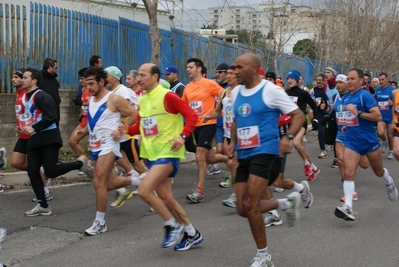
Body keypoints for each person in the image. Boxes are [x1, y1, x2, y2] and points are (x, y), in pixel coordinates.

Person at [227, 53, 303, 267]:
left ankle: (264, 256)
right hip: (244, 153)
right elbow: (236, 119)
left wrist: (288, 137)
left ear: (254, 68)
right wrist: (232, 143)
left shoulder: (270, 90)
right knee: (242, 209)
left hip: (266, 150)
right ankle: (286, 202)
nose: (235, 71)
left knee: (251, 204)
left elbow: (297, 115)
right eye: (234, 67)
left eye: (239, 67)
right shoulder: (235, 92)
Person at [120, 63, 203, 251]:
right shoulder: (143, 100)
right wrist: (126, 130)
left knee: (143, 190)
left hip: (168, 152)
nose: (139, 78)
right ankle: (191, 233)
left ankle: (170, 224)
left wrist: (183, 137)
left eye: (142, 75)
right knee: (166, 198)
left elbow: (191, 116)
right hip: (151, 155)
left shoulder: (168, 96)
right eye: (138, 75)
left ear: (155, 77)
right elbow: (141, 127)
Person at [20, 68, 91, 216]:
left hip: (49, 138)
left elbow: (51, 116)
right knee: (32, 170)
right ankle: (42, 205)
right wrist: (24, 128)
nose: (22, 79)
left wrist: (34, 128)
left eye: (25, 77)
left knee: (50, 171)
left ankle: (80, 164)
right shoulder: (28, 97)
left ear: (34, 81)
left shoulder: (42, 96)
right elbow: (35, 117)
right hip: (36, 139)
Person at [80, 67, 139, 235]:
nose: (88, 87)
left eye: (91, 83)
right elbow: (95, 122)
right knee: (109, 184)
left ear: (101, 82)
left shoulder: (113, 99)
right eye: (86, 84)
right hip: (95, 145)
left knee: (98, 182)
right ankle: (136, 181)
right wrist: (82, 132)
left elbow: (133, 113)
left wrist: (122, 129)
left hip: (109, 144)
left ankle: (100, 223)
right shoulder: (91, 100)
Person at [334, 68, 397, 221]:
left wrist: (359, 113)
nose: (349, 81)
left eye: (352, 79)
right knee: (348, 173)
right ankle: (348, 207)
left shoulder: (365, 96)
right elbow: (351, 118)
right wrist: (346, 124)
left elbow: (377, 116)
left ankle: (389, 182)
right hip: (351, 141)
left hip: (369, 141)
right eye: (348, 79)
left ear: (361, 81)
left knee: (378, 171)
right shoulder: (346, 98)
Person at [182, 58, 228, 203]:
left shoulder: (209, 84)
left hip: (209, 123)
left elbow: (225, 95)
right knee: (211, 158)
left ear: (199, 69)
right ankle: (233, 160)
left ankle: (199, 191)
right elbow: (183, 106)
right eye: (187, 67)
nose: (188, 69)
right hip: (195, 126)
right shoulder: (188, 87)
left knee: (199, 155)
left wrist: (217, 110)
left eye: (190, 67)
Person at [104, 66, 147, 208]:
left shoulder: (122, 90)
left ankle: (158, 191)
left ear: (114, 77)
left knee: (138, 165)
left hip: (127, 135)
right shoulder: (113, 92)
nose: (104, 79)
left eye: (107, 76)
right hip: (117, 135)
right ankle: (122, 188)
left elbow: (129, 110)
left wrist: (114, 115)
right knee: (109, 161)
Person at [329, 74, 369, 202]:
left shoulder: (355, 96)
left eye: (341, 82)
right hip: (341, 133)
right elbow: (335, 111)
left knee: (364, 164)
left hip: (355, 133)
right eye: (337, 83)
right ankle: (349, 191)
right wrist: (327, 116)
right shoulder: (335, 97)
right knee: (341, 161)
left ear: (347, 83)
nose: (338, 85)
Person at [286, 70, 320, 181]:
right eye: (288, 78)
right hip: (291, 124)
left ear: (297, 79)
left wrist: (315, 119)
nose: (289, 80)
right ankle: (314, 167)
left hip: (301, 122)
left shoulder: (303, 93)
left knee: (296, 143)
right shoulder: (286, 93)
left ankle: (306, 165)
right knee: (301, 148)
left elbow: (314, 106)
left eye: (292, 78)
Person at [207, 63, 230, 177]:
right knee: (218, 149)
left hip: (228, 124)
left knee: (224, 149)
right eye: (216, 72)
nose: (217, 74)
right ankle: (230, 164)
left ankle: (229, 173)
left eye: (220, 72)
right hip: (216, 122)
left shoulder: (230, 88)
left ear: (227, 73)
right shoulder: (214, 86)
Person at [68, 68, 90, 160]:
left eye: (82, 78)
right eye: (79, 78)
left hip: (92, 120)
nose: (80, 81)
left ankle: (113, 168)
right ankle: (88, 162)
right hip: (84, 119)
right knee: (72, 141)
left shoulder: (94, 90)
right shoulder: (83, 90)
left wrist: (83, 103)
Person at [375, 73, 395, 159]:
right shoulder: (376, 90)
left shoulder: (392, 90)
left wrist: (392, 103)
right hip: (381, 115)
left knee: (390, 135)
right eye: (380, 80)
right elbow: (374, 101)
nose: (381, 81)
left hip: (390, 115)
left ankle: (391, 151)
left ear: (387, 80)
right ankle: (384, 141)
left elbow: (397, 103)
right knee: (380, 133)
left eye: (383, 80)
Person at [39, 58, 60, 126]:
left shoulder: (53, 79)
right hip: (45, 112)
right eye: (55, 68)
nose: (57, 69)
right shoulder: (39, 78)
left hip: (55, 110)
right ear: (50, 68)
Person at [392, 88, 399, 161]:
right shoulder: (395, 92)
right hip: (397, 126)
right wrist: (392, 121)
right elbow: (394, 108)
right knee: (396, 152)